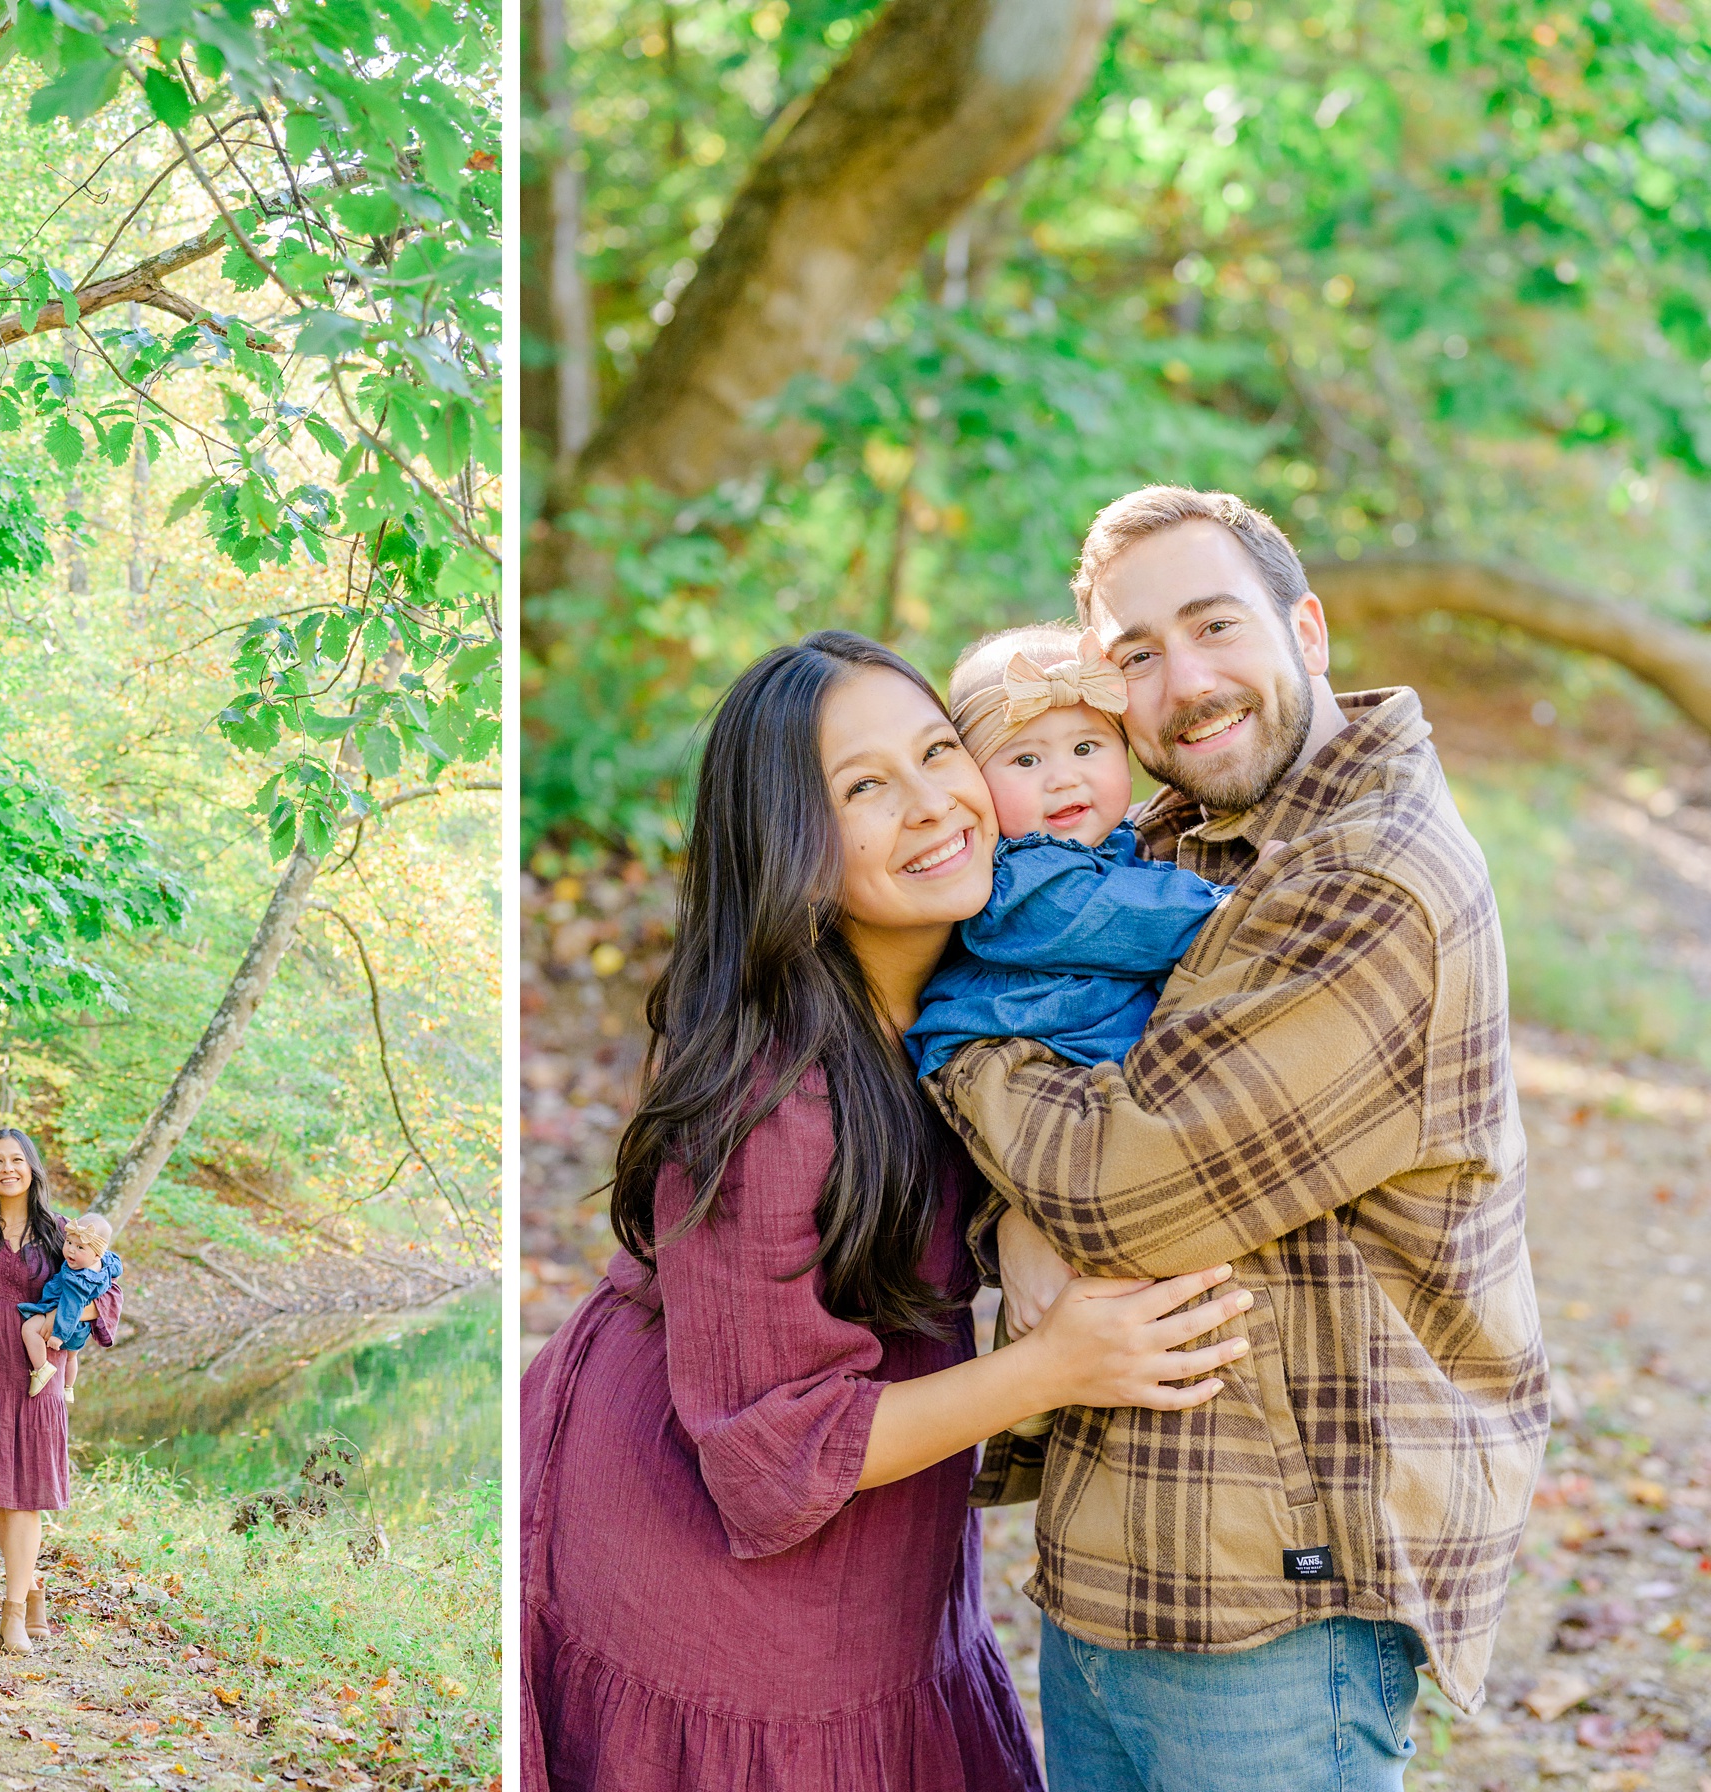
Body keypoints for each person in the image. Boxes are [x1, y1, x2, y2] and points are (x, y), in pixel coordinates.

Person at [520, 630, 1258, 1792]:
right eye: (866, 787)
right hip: (705, 1565)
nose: (932, 806)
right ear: (793, 852)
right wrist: (1056, 1364)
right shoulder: (772, 1097)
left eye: (937, 754)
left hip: (885, 1551)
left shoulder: (993, 973)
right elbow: (766, 1458)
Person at [928, 487, 1550, 1790]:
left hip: (1272, 1606)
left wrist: (967, 1062)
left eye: (1215, 626)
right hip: (1118, 1552)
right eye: (1138, 655)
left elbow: (1122, 1188)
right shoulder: (1183, 835)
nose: (1187, 683)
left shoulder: (1370, 878)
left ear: (1307, 630)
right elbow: (1057, 1138)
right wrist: (1013, 1216)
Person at [904, 623, 1233, 1081]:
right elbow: (1127, 916)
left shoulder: (1117, 839)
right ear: (976, 779)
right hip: (1027, 1056)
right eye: (1025, 760)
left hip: (1097, 1043)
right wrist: (1243, 899)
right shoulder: (1016, 876)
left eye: (1084, 747)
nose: (1063, 778)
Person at [0, 1127, 119, 1654]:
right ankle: (35, 1588)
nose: (7, 1169)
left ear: (32, 1168)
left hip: (33, 1377)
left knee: (24, 1501)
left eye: (17, 1159)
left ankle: (13, 1614)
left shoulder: (61, 1231)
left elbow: (110, 1296)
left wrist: (59, 1320)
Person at [18, 1212, 120, 1399]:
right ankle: (68, 1388)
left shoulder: (77, 1280)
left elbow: (71, 1307)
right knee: (71, 1357)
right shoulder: (104, 1264)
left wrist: (58, 1334)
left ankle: (41, 1368)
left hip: (66, 1323)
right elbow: (115, 1263)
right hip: (81, 1329)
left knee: (29, 1329)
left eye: (80, 1247)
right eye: (69, 1243)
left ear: (97, 1254)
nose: (71, 1250)